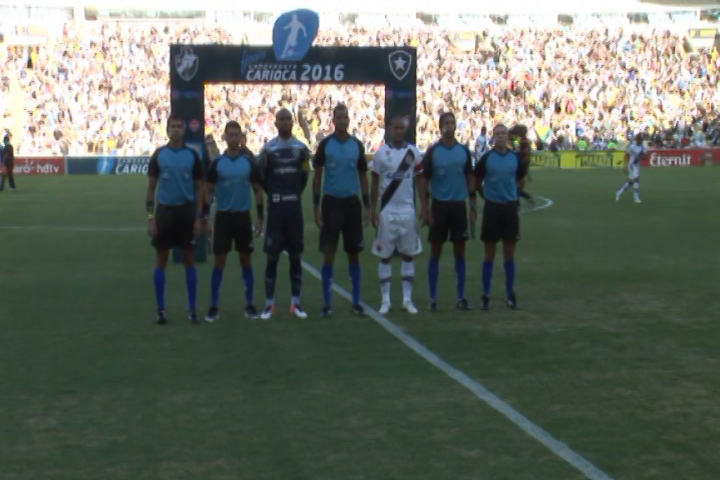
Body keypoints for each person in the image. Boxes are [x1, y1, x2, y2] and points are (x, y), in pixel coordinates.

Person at [313, 103, 371, 317]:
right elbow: (317, 175)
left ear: (349, 120)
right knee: (329, 254)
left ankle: (356, 302)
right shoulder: (325, 145)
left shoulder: (357, 145)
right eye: (338, 117)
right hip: (331, 204)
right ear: (333, 120)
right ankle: (327, 304)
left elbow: (364, 176)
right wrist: (315, 205)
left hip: (352, 204)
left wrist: (367, 205)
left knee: (354, 254)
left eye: (345, 117)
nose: (342, 120)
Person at [146, 115, 205, 324]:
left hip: (186, 212)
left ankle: (192, 309)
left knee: (189, 258)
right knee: (161, 259)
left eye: (180, 126)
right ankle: (161, 309)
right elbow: (151, 189)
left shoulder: (192, 155)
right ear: (167, 129)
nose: (176, 129)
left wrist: (199, 217)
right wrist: (151, 218)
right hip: (165, 213)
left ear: (185, 129)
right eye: (173, 126)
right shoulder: (159, 155)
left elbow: (200, 189)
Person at [204, 121, 264, 322]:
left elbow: (257, 190)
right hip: (223, 217)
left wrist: (261, 217)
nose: (233, 138)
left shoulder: (248, 163)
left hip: (242, 217)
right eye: (230, 134)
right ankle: (214, 306)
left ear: (241, 137)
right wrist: (205, 218)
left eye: (236, 134)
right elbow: (208, 191)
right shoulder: (217, 163)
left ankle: (249, 304)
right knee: (219, 261)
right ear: (225, 137)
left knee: (246, 259)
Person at [256, 108, 311, 320]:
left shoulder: (301, 149)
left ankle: (296, 303)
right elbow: (261, 177)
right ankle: (269, 304)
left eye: (289, 118)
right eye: (282, 119)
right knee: (272, 256)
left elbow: (304, 176)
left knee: (296, 256)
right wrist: (275, 195)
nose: (286, 122)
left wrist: (293, 194)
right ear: (275, 122)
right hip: (276, 210)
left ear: (292, 122)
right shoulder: (268, 149)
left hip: (294, 210)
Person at [370, 116, 426, 315]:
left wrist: (424, 205)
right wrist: (372, 209)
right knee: (384, 256)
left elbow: (420, 180)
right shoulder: (380, 154)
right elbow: (375, 182)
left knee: (408, 255)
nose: (399, 131)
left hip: (407, 211)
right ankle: (385, 301)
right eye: (396, 128)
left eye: (402, 128)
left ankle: (407, 300)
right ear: (389, 129)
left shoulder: (414, 152)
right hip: (387, 211)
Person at [419, 111, 475, 312]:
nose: (450, 125)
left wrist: (473, 205)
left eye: (453, 122)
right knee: (436, 251)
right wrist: (426, 207)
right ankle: (433, 298)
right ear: (440, 126)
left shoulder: (463, 151)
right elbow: (424, 179)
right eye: (446, 122)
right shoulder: (433, 151)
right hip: (439, 206)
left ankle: (461, 297)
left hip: (459, 206)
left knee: (460, 251)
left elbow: (470, 178)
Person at [474, 124, 529, 311]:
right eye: (497, 134)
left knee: (509, 254)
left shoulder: (515, 158)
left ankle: (510, 295)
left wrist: (512, 194)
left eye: (503, 133)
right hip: (492, 209)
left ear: (508, 137)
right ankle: (485, 295)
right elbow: (476, 182)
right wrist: (486, 195)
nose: (501, 136)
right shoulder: (487, 158)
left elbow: (521, 181)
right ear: (493, 137)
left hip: (509, 210)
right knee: (489, 253)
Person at [616, 133, 645, 203]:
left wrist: (642, 156)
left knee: (630, 183)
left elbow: (642, 157)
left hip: (636, 166)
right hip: (632, 165)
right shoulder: (632, 146)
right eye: (640, 139)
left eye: (641, 140)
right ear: (637, 139)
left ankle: (619, 193)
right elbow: (626, 154)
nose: (641, 141)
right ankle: (636, 198)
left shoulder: (643, 147)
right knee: (637, 180)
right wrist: (625, 165)